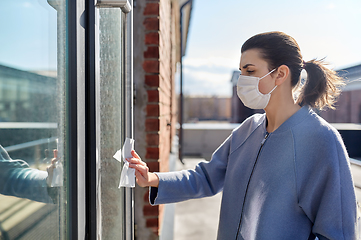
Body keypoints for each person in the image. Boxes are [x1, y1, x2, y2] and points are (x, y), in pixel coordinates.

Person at [128, 31, 357, 239]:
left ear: (281, 74)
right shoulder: (248, 129)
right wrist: (152, 179)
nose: (242, 80)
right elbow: (206, 177)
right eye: (241, 72)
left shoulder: (322, 141)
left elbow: (338, 233)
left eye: (250, 71)